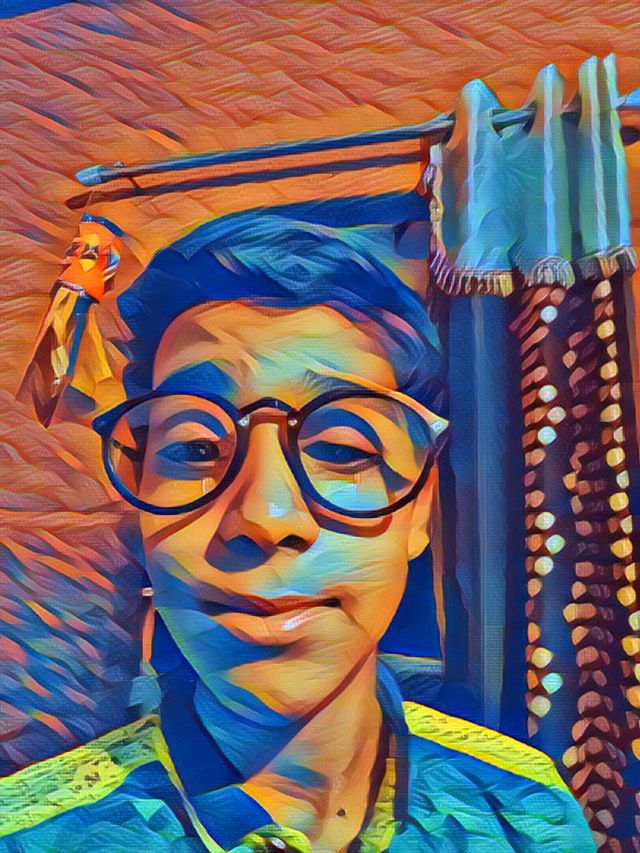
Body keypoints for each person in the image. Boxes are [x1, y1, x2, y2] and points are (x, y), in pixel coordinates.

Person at [0, 215, 595, 852]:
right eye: (196, 448)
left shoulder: (523, 814)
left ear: (421, 510)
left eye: (342, 450)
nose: (265, 517)